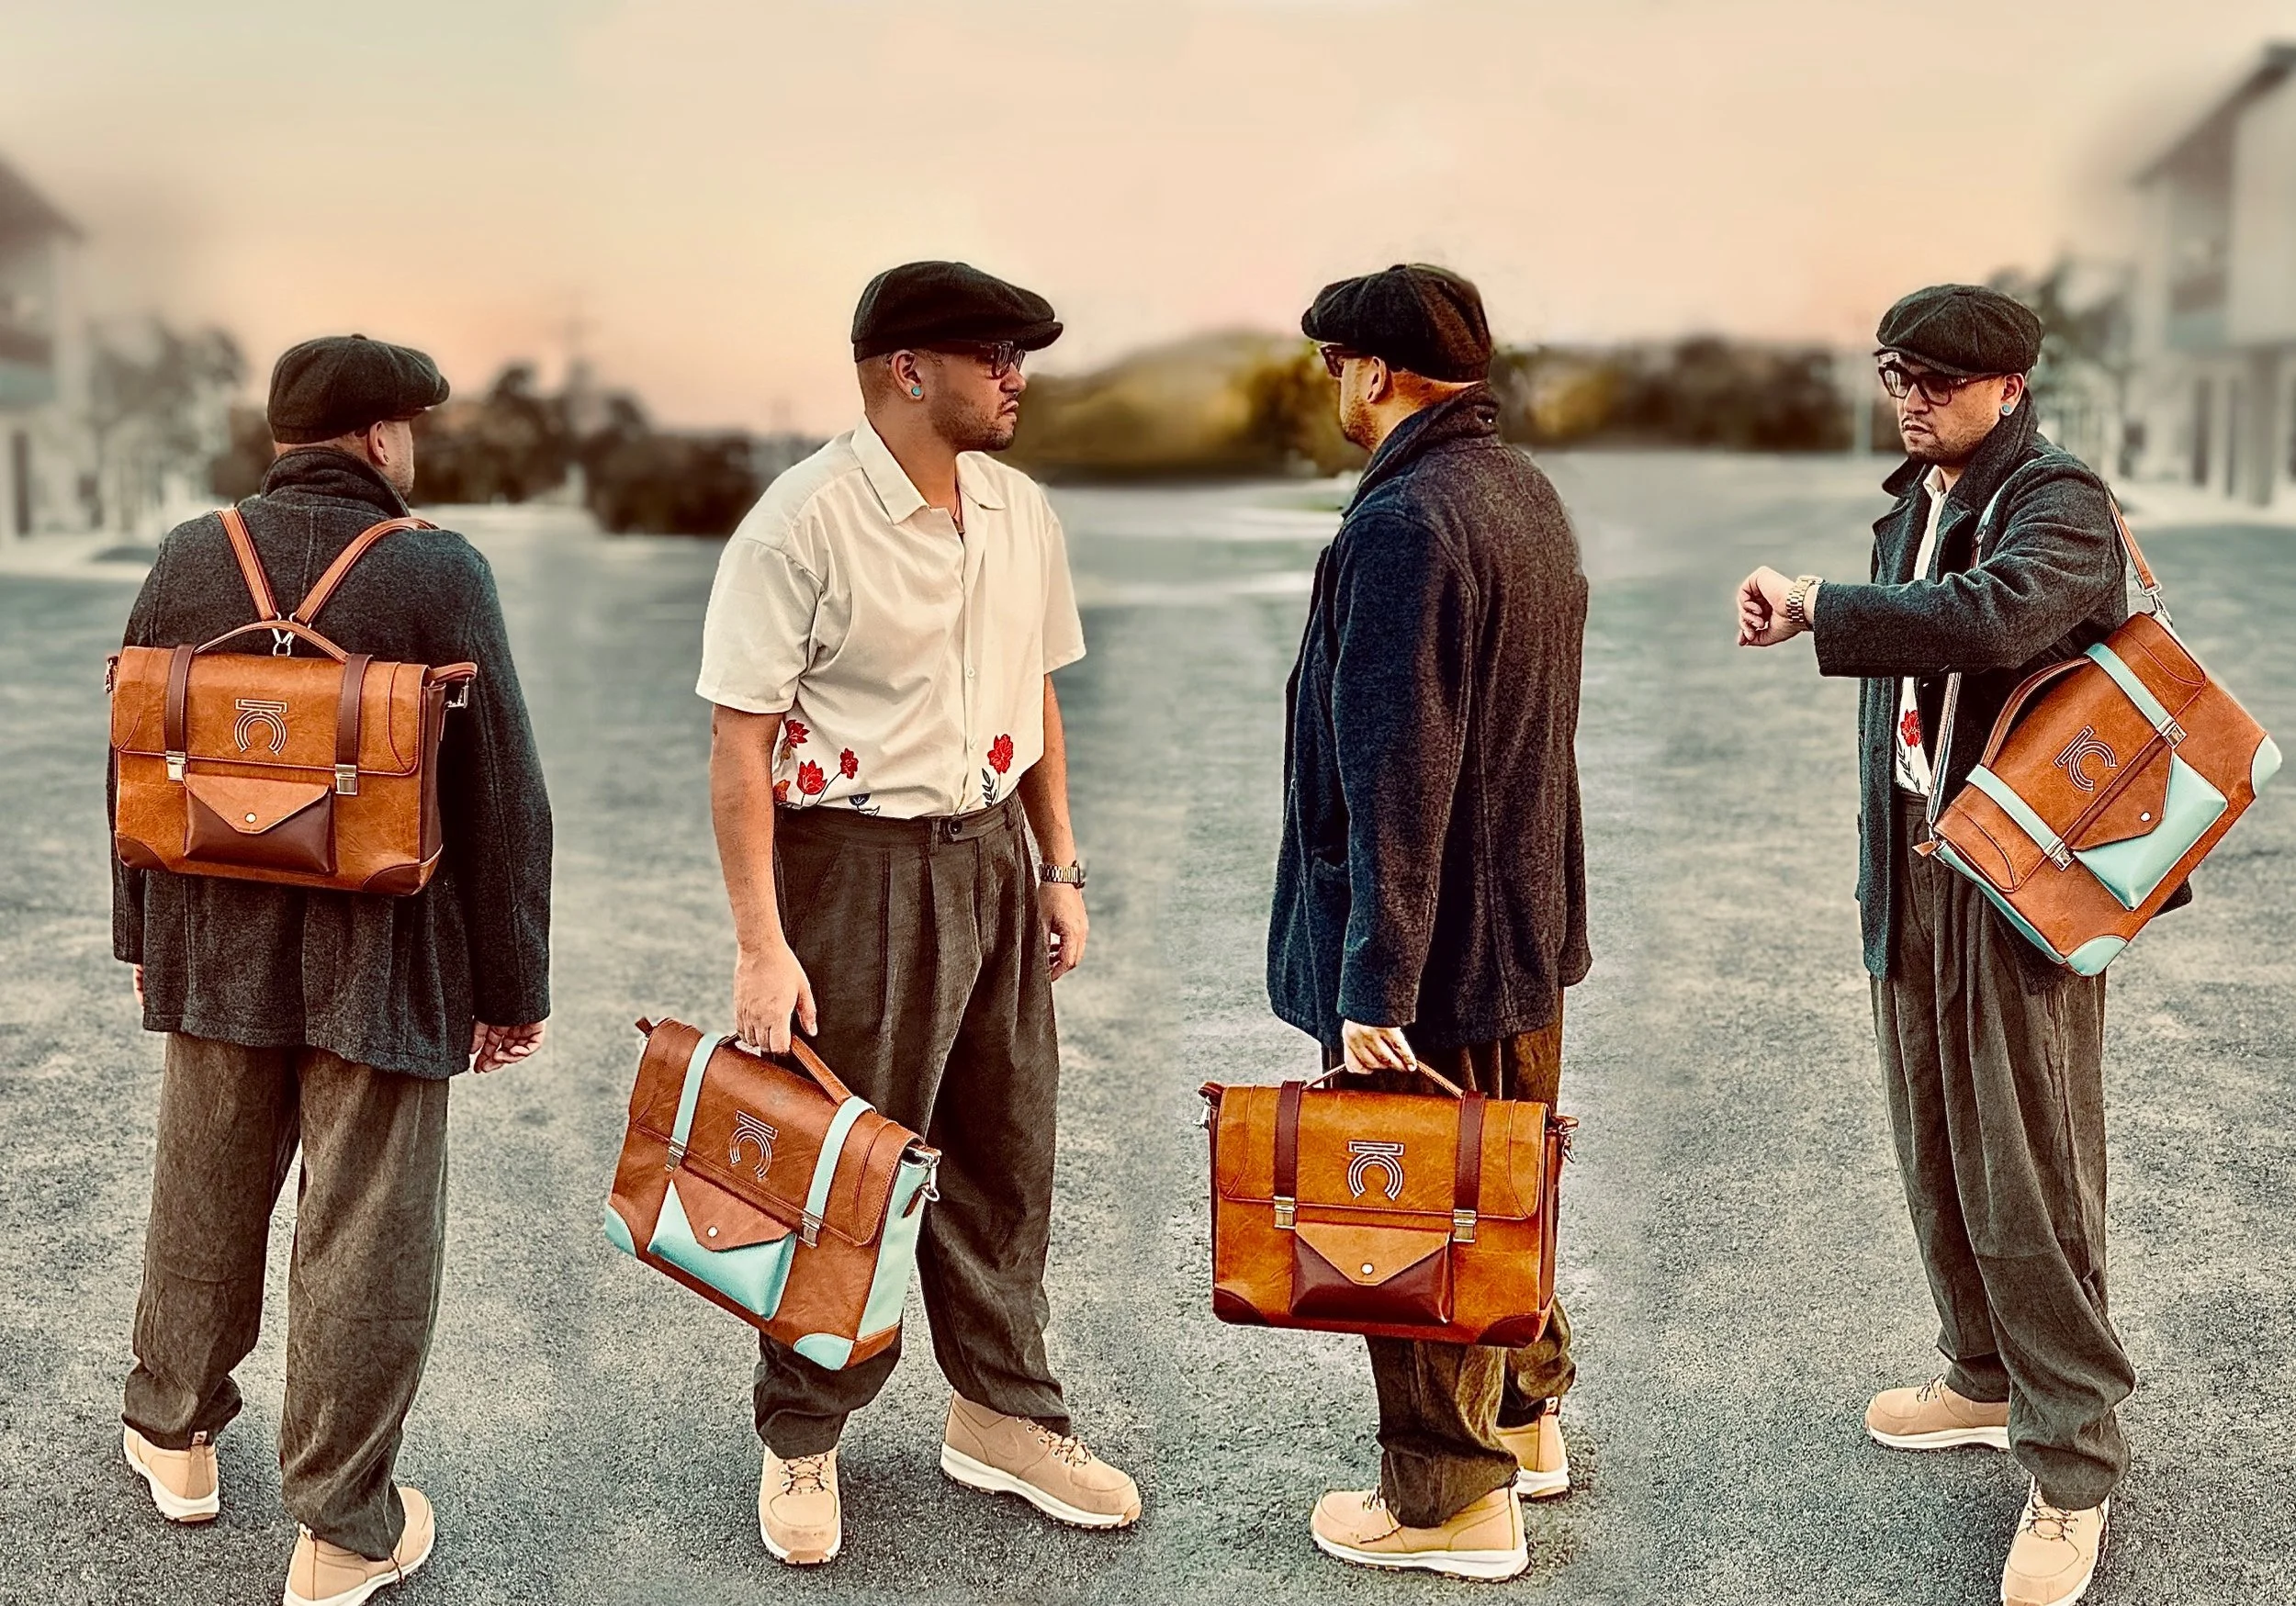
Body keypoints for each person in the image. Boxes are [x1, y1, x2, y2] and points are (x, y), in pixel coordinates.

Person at [697, 260, 1140, 1567]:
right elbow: (738, 750)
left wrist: (1059, 864)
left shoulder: (1018, 511)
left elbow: (1037, 691)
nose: (1018, 378)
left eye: (1022, 355)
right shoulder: (801, 525)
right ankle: (801, 1438)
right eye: (995, 354)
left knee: (1006, 1153)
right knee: (844, 1170)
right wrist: (762, 945)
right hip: (855, 868)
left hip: (994, 857)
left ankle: (1002, 1414)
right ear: (908, 370)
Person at [112, 334, 554, 1606]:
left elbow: (134, 753)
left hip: (209, 934)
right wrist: (510, 986)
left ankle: (174, 1436)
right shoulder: (433, 568)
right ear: (375, 437)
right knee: (366, 1229)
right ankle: (342, 1526)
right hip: (389, 950)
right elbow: (504, 795)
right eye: (410, 426)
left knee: (204, 1186)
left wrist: (140, 939)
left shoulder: (194, 554)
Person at [1735, 284, 2143, 1606]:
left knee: (2026, 1164)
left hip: (2018, 882)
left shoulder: (2059, 500)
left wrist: (1816, 603)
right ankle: (1980, 1374)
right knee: (1933, 1138)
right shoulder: (1914, 495)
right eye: (1895, 373)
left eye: (1938, 380)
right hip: (1919, 863)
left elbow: (1995, 619)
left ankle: (2073, 1464)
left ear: (2009, 389)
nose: (1910, 397)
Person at [1266, 264, 1592, 1582]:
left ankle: (1447, 1504)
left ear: (1378, 371)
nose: (1330, 388)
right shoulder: (1524, 494)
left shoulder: (1405, 524)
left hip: (1433, 952)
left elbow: (1399, 771)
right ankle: (1522, 1424)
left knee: (1406, 1228)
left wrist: (1373, 987)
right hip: (1520, 934)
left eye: (1331, 363)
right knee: (1503, 1189)